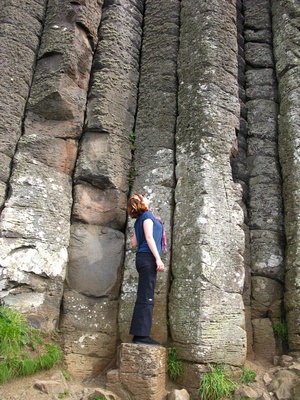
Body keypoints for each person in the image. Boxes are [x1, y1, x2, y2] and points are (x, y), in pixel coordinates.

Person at [127, 193, 167, 345]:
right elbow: (149, 238)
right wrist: (158, 258)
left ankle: (139, 334)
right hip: (148, 258)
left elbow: (134, 243)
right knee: (147, 295)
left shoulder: (139, 220)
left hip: (141, 258)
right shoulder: (148, 216)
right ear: (142, 203)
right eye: (142, 196)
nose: (146, 197)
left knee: (144, 294)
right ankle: (142, 336)